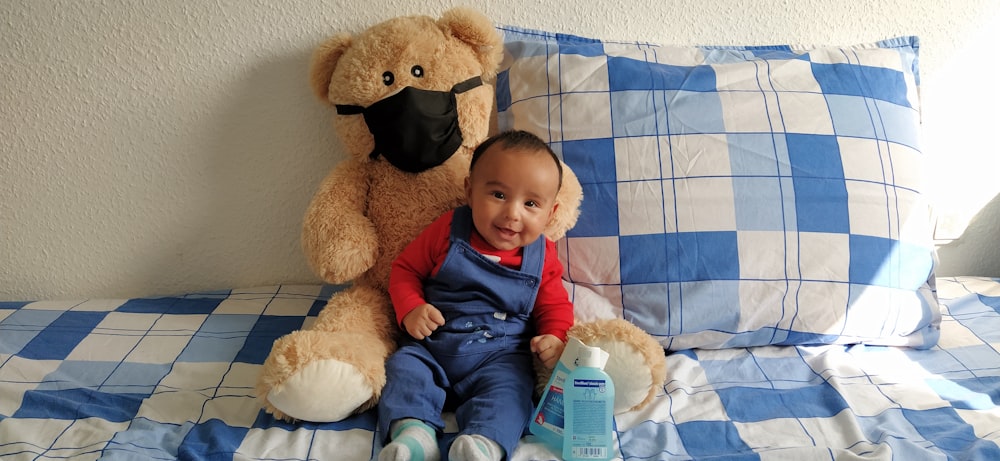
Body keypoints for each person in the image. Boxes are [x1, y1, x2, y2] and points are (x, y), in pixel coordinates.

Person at [377, 130, 575, 461]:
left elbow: (554, 304)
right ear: (470, 190)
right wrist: (411, 308)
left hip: (499, 358)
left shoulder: (543, 256)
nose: (513, 213)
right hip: (433, 346)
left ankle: (482, 444)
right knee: (403, 369)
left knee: (512, 393)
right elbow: (405, 270)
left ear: (550, 213)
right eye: (498, 194)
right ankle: (413, 434)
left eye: (530, 204)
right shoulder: (447, 230)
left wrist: (554, 337)